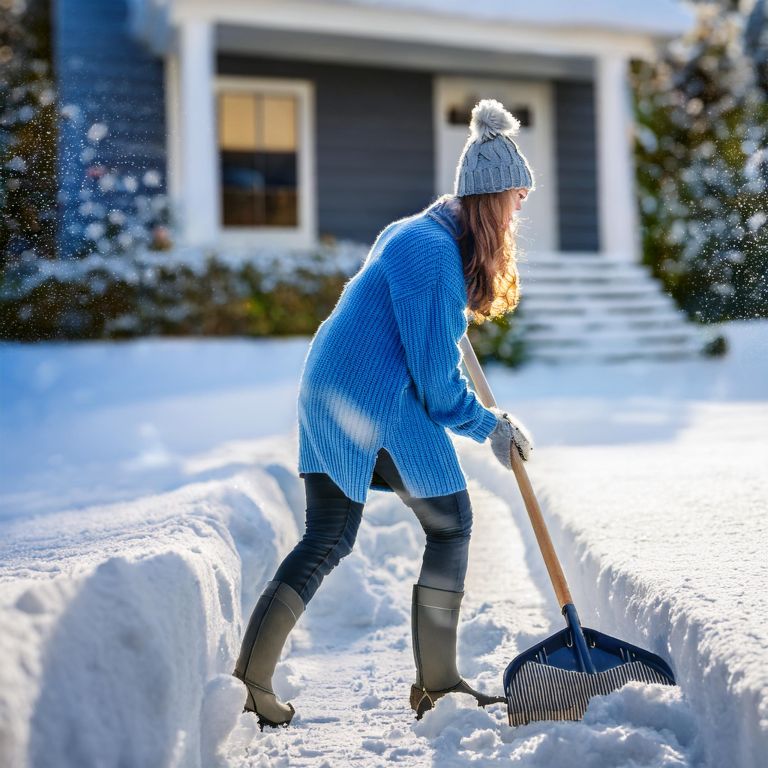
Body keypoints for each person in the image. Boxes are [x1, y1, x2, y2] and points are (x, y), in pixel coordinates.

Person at [233, 98, 536, 729]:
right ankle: (439, 684)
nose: (520, 209)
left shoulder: (420, 233)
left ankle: (248, 683)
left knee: (330, 534)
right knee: (450, 523)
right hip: (374, 398)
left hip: (332, 387)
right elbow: (433, 384)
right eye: (516, 196)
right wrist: (491, 427)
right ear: (489, 200)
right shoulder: (431, 259)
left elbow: (422, 343)